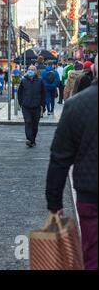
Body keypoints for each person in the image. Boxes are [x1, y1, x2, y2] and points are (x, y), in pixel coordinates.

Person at [45, 75, 97, 270]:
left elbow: (60, 157)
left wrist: (54, 203)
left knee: (93, 254)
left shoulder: (77, 105)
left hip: (91, 193)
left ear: (93, 70)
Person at [17, 65, 46, 147]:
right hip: (26, 106)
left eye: (33, 69)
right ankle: (29, 139)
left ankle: (32, 140)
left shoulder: (40, 81)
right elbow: (20, 93)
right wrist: (21, 103)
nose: (31, 71)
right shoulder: (23, 81)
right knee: (28, 121)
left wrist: (43, 106)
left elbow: (43, 94)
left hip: (36, 106)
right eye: (29, 69)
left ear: (36, 71)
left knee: (35, 124)